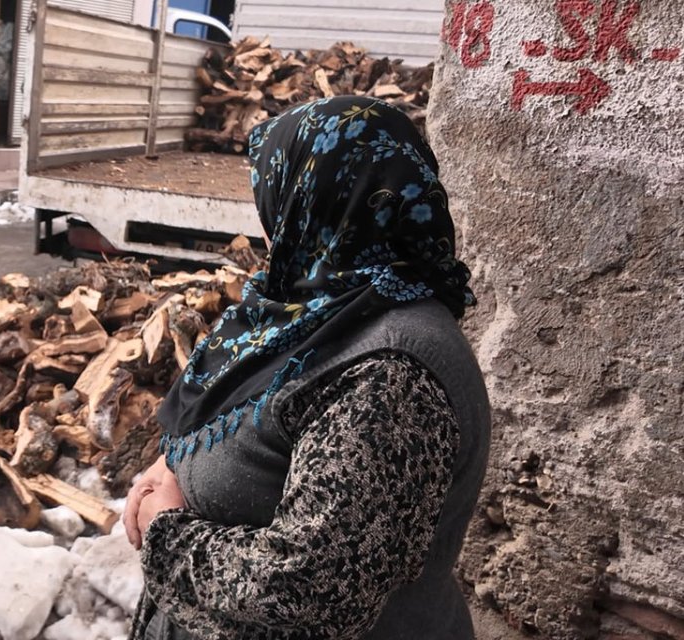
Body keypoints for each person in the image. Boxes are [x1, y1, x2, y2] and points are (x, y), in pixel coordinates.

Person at [123, 96, 491, 640]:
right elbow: (255, 422)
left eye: (275, 199)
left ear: (314, 202)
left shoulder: (391, 377)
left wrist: (165, 531)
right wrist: (177, 464)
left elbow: (313, 592)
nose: (269, 225)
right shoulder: (320, 310)